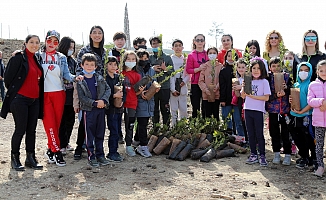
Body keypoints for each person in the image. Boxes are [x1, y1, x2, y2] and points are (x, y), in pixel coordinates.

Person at [0, 35, 44, 171]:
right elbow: (7, 78)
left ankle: (30, 158)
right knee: (20, 129)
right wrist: (17, 93)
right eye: (31, 42)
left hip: (34, 100)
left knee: (32, 130)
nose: (34, 45)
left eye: (37, 42)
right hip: (20, 100)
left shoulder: (37, 59)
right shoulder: (18, 57)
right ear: (25, 43)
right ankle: (15, 158)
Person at [42, 30, 76, 167]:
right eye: (49, 40)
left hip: (59, 93)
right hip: (44, 94)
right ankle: (56, 152)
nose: (52, 44)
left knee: (56, 124)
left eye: (55, 41)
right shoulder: (39, 56)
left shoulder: (61, 57)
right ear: (45, 40)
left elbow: (67, 75)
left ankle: (50, 150)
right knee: (49, 123)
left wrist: (76, 78)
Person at [74, 25, 106, 159]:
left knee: (97, 122)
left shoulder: (104, 51)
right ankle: (79, 146)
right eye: (94, 33)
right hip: (86, 87)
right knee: (84, 120)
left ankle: (97, 150)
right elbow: (78, 69)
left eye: (100, 33)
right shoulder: (84, 50)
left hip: (100, 87)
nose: (97, 35)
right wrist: (82, 82)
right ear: (90, 35)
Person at [76, 53, 111, 167]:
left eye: (92, 65)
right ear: (82, 65)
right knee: (89, 134)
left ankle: (100, 155)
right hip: (89, 110)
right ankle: (91, 156)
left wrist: (104, 101)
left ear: (96, 66)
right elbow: (82, 98)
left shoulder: (99, 78)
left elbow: (108, 89)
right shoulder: (80, 80)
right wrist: (94, 103)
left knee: (100, 133)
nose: (89, 67)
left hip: (100, 110)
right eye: (87, 64)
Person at [241, 58, 271, 166]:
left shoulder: (264, 82)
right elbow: (243, 96)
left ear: (262, 70)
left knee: (259, 134)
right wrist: (244, 87)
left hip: (258, 111)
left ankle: (262, 155)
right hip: (248, 109)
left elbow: (266, 98)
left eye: (258, 68)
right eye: (254, 68)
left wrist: (252, 96)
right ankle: (253, 154)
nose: (256, 70)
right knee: (250, 133)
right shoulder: (248, 81)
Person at [288, 62, 316, 169]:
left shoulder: (311, 85)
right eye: (301, 70)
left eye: (306, 70)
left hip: (306, 116)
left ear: (310, 72)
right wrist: (291, 100)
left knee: (308, 138)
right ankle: (304, 156)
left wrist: (302, 111)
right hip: (294, 115)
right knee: (297, 138)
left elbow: (311, 103)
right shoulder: (295, 85)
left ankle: (313, 158)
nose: (303, 73)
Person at [266, 57, 292, 165]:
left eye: (278, 66)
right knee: (274, 133)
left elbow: (292, 91)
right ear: (270, 67)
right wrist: (276, 95)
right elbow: (267, 95)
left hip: (285, 110)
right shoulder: (267, 79)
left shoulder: (287, 77)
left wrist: (287, 88)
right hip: (273, 111)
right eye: (273, 66)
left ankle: (287, 155)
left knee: (286, 133)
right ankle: (276, 153)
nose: (276, 68)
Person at [135, 49, 159, 157]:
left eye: (146, 58)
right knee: (142, 123)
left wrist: (154, 89)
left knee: (143, 122)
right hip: (139, 100)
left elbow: (154, 82)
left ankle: (136, 141)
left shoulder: (151, 71)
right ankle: (143, 146)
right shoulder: (135, 70)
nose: (144, 60)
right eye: (141, 58)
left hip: (149, 100)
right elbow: (133, 87)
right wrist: (140, 93)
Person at [121, 51, 144, 156]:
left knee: (130, 125)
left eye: (133, 59)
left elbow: (137, 93)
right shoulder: (119, 73)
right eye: (128, 59)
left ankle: (129, 145)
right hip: (118, 104)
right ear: (124, 60)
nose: (131, 61)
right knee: (115, 125)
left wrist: (141, 90)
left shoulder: (137, 76)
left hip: (131, 103)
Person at [57, 36, 77, 155]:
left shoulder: (73, 61)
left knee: (70, 120)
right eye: (69, 47)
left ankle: (67, 141)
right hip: (61, 93)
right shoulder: (58, 59)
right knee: (62, 121)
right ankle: (61, 144)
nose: (71, 50)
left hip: (71, 94)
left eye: (73, 48)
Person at [149, 36, 174, 125]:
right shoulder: (150, 58)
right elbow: (146, 71)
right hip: (153, 88)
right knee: (154, 108)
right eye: (153, 44)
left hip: (164, 87)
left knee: (165, 108)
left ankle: (166, 128)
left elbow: (172, 72)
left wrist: (165, 68)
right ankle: (155, 127)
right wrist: (152, 68)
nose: (156, 45)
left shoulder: (167, 57)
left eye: (157, 43)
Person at [307, 60, 326, 177]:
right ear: (317, 72)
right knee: (319, 144)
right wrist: (321, 101)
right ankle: (320, 166)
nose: (324, 73)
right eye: (321, 70)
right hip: (318, 121)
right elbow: (310, 101)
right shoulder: (313, 85)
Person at [219, 49, 244, 137]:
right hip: (226, 100)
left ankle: (241, 137)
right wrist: (222, 99)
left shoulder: (239, 71)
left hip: (237, 100)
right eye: (229, 56)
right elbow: (222, 87)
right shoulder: (223, 70)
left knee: (238, 120)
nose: (231, 58)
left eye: (233, 56)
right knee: (227, 120)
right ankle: (228, 137)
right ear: (226, 57)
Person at [105, 56, 124, 162]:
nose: (113, 66)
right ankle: (112, 152)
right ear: (106, 65)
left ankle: (115, 151)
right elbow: (104, 94)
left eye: (115, 64)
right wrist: (114, 96)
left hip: (119, 108)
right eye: (110, 64)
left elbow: (123, 91)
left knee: (118, 130)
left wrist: (121, 101)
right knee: (113, 130)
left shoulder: (118, 78)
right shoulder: (104, 79)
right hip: (110, 109)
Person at [186, 34, 208, 118]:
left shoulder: (208, 54)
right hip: (195, 83)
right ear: (194, 42)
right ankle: (196, 125)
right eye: (198, 40)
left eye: (201, 40)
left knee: (205, 106)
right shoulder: (191, 55)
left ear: (204, 42)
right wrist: (199, 69)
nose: (200, 42)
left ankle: (205, 125)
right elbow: (189, 70)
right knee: (195, 106)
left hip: (206, 83)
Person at [198, 47, 222, 119]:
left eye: (214, 53)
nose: (212, 55)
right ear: (207, 55)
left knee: (216, 114)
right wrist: (206, 90)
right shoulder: (205, 66)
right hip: (206, 95)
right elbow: (201, 81)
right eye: (210, 53)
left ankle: (216, 128)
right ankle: (207, 129)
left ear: (217, 54)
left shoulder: (220, 66)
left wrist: (217, 87)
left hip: (216, 94)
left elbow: (222, 80)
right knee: (207, 114)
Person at [170, 39, 189, 126]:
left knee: (183, 109)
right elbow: (170, 75)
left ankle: (183, 126)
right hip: (173, 86)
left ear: (182, 47)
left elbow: (188, 73)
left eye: (179, 46)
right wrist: (173, 89)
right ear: (172, 48)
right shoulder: (170, 59)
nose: (178, 48)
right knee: (173, 109)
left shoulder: (186, 59)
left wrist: (184, 81)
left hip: (183, 86)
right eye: (176, 46)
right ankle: (174, 126)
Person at [232, 58, 248, 143]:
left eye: (243, 67)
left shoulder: (248, 78)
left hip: (246, 101)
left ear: (246, 68)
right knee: (240, 121)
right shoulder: (237, 79)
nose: (241, 69)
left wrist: (240, 87)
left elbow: (249, 88)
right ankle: (243, 139)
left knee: (246, 121)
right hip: (239, 101)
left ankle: (249, 139)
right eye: (239, 67)